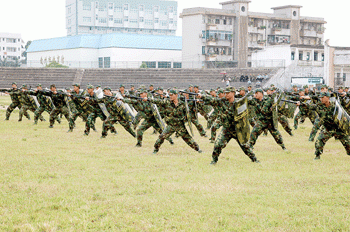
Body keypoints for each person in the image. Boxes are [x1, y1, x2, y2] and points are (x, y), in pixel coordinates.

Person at [199, 87, 259, 165]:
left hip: (237, 129)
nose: (226, 94)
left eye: (228, 93)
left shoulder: (239, 103)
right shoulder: (222, 101)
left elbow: (250, 107)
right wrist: (202, 96)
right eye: (225, 93)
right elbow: (212, 100)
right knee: (218, 144)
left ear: (233, 93)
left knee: (245, 146)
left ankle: (254, 159)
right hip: (226, 129)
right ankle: (214, 161)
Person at [299, 92, 350, 159]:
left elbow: (342, 115)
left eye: (323, 97)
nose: (321, 99)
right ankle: (317, 156)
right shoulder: (318, 106)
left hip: (338, 129)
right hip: (328, 129)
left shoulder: (335, 105)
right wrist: (300, 104)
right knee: (319, 141)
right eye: (321, 97)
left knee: (348, 144)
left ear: (327, 98)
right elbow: (309, 106)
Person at [149, 89, 202, 154]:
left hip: (180, 125)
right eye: (169, 95)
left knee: (188, 139)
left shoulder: (182, 103)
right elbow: (158, 101)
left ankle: (198, 149)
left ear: (176, 95)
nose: (170, 96)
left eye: (172, 95)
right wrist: (148, 99)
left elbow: (188, 112)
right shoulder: (167, 102)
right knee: (161, 137)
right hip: (171, 125)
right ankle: (155, 149)